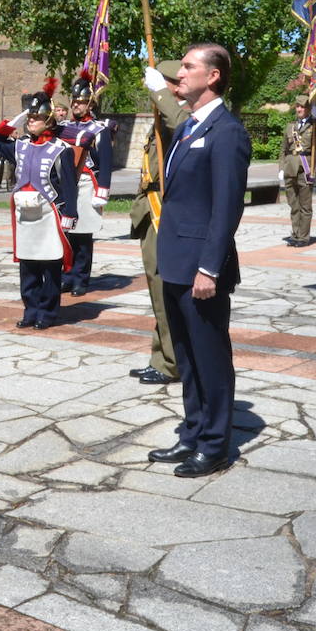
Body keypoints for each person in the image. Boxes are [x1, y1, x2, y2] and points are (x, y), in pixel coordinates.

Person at [148, 43, 250, 478]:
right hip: (175, 260)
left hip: (200, 268)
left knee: (209, 357)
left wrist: (209, 267)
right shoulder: (189, 127)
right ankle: (192, 432)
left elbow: (226, 208)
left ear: (213, 76)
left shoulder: (227, 132)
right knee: (187, 357)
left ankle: (215, 444)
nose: (179, 74)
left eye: (188, 67)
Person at [0, 79, 78, 330]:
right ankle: (30, 310)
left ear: (49, 120)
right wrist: (14, 121)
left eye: (36, 118)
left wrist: (70, 215)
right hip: (25, 214)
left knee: (50, 265)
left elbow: (69, 186)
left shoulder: (61, 149)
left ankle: (47, 313)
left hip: (49, 214)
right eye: (30, 118)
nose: (31, 121)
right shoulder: (20, 146)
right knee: (28, 266)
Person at [130, 60, 189, 386]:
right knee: (157, 292)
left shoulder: (183, 115)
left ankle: (172, 362)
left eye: (158, 84)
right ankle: (161, 356)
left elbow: (180, 125)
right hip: (149, 213)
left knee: (165, 291)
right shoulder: (162, 116)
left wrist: (162, 95)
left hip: (163, 214)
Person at [57, 70, 116, 297]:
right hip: (66, 184)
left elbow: (106, 163)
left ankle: (81, 278)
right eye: (74, 102)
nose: (76, 106)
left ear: (90, 104)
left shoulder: (99, 129)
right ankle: (67, 275)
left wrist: (102, 190)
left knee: (82, 234)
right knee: (67, 233)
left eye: (80, 102)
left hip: (86, 183)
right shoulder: (65, 128)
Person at [278, 94, 316, 247]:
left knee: (305, 205)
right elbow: (283, 149)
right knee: (293, 204)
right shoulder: (290, 126)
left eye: (302, 107)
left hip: (305, 168)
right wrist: (281, 168)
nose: (299, 109)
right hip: (290, 168)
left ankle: (303, 237)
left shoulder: (314, 126)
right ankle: (296, 234)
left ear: (309, 109)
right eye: (297, 106)